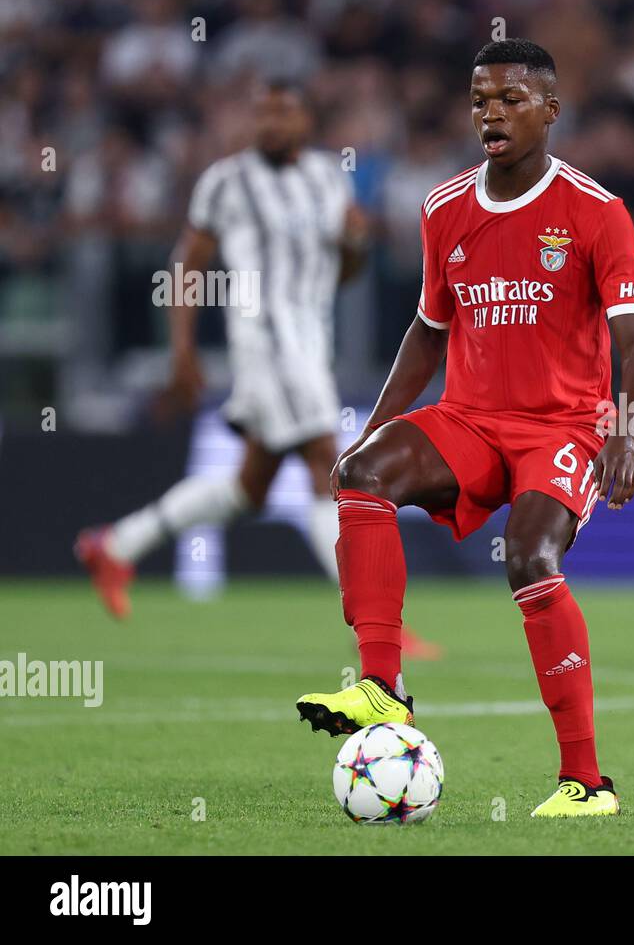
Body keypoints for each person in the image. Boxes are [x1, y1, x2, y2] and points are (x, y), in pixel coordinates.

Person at [295, 39, 634, 819]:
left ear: (551, 111)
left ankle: (586, 783)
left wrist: (624, 434)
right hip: (470, 420)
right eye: (480, 100)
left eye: (511, 99)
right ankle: (383, 688)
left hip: (561, 428)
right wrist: (375, 429)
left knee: (529, 558)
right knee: (363, 478)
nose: (491, 113)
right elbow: (428, 334)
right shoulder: (444, 208)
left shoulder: (597, 213)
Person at [76, 79, 438, 659]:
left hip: (309, 341)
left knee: (252, 488)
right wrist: (183, 351)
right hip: (265, 343)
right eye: (262, 115)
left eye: (283, 114)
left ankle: (115, 544)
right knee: (331, 466)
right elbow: (186, 265)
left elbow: (343, 272)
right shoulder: (226, 181)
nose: (271, 125)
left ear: (305, 121)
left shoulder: (326, 177)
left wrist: (354, 244)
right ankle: (374, 626)